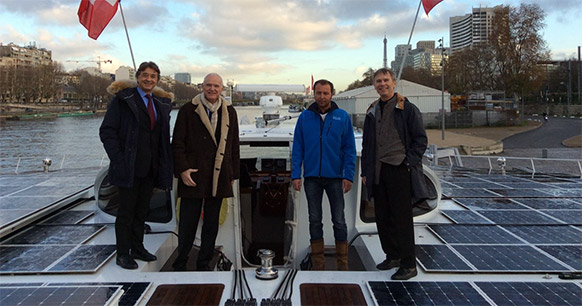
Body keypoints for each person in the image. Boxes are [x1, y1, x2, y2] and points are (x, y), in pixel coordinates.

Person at [99, 61, 173, 270]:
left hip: (150, 168)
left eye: (153, 76)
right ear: (138, 77)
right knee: (126, 212)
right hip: (128, 166)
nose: (149, 79)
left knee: (142, 210)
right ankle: (123, 253)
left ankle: (138, 247)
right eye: (145, 75)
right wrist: (118, 159)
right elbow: (107, 132)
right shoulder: (123, 101)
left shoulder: (159, 103)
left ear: (157, 80)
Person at [361, 68, 429, 280]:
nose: (382, 84)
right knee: (382, 217)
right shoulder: (372, 111)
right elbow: (367, 144)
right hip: (378, 171)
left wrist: (408, 162)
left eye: (385, 80)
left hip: (399, 169)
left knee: (402, 219)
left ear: (394, 83)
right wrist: (366, 170)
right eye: (378, 81)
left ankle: (409, 264)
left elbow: (420, 140)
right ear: (375, 85)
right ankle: (393, 256)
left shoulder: (407, 109)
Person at [171, 73, 240, 271]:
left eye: (216, 86)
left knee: (211, 224)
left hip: (218, 176)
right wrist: (183, 169)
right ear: (202, 86)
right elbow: (177, 143)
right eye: (208, 85)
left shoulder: (230, 111)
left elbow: (233, 145)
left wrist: (233, 174)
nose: (212, 89)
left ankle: (204, 263)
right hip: (193, 175)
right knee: (187, 224)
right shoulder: (188, 110)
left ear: (222, 89)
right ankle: (181, 262)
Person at [291, 79, 356, 271]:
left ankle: (342, 264)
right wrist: (296, 175)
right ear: (314, 94)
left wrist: (349, 175)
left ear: (332, 94)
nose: (321, 97)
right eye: (318, 93)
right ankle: (318, 263)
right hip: (312, 178)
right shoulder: (304, 117)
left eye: (325, 93)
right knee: (314, 219)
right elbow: (298, 148)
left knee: (339, 220)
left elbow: (349, 149)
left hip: (335, 177)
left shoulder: (342, 117)